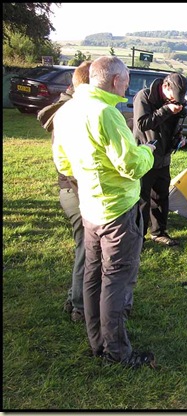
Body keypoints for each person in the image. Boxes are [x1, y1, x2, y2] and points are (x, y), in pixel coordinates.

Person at [52, 56, 157, 369]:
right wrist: (148, 152)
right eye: (126, 80)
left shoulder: (67, 110)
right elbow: (130, 165)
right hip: (117, 211)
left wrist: (89, 182)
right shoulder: (106, 114)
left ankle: (97, 341)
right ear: (116, 81)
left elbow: (63, 164)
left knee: (93, 276)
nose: (127, 86)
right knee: (115, 280)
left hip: (90, 208)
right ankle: (116, 352)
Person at [37, 60, 92, 323]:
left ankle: (75, 297)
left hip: (69, 188)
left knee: (86, 247)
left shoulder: (66, 109)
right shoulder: (74, 112)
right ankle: (79, 305)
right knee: (87, 249)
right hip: (75, 188)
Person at [132, 73, 187, 247]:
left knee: (161, 196)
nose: (175, 100)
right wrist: (166, 110)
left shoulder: (176, 102)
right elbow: (142, 123)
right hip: (145, 155)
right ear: (165, 86)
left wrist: (179, 137)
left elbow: (172, 126)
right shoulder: (144, 97)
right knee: (142, 199)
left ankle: (158, 232)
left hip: (164, 155)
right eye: (173, 96)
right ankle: (137, 238)